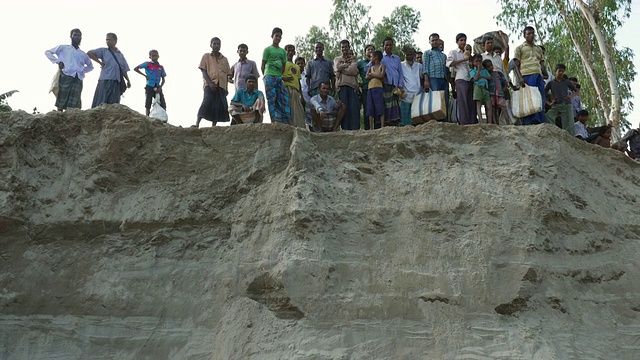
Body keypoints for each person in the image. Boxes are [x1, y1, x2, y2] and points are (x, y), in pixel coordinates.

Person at [45, 28, 93, 111]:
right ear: (71, 36)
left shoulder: (83, 54)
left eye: (79, 36)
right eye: (75, 35)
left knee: (74, 102)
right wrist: (58, 61)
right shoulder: (63, 48)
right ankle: (58, 116)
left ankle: (71, 119)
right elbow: (48, 52)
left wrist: (81, 70)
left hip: (78, 78)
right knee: (62, 98)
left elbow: (90, 66)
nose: (77, 37)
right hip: (66, 75)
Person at [194, 37, 230, 128]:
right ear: (211, 45)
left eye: (218, 44)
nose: (216, 45)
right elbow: (203, 71)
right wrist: (210, 83)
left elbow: (226, 75)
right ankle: (197, 123)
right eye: (214, 43)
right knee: (206, 101)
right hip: (209, 84)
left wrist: (226, 88)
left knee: (217, 105)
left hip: (221, 85)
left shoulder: (224, 59)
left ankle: (214, 125)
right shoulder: (206, 56)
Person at [88, 32, 131, 108]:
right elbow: (89, 53)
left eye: (110, 40)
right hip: (105, 80)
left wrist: (128, 80)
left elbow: (124, 70)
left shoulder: (120, 55)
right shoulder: (103, 51)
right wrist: (100, 62)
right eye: (107, 40)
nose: (108, 41)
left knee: (113, 104)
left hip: (116, 81)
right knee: (101, 102)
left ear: (115, 41)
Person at [513, 26, 546, 125]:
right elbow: (516, 64)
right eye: (528, 33)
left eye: (532, 33)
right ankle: (530, 121)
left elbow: (542, 63)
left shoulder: (538, 49)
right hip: (527, 75)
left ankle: (540, 120)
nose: (531, 35)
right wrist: (520, 78)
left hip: (538, 74)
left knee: (540, 97)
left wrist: (544, 72)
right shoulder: (520, 48)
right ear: (524, 36)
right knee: (530, 97)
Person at [262, 28, 291, 125]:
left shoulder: (283, 51)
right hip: (269, 76)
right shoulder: (267, 49)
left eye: (279, 36)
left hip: (278, 77)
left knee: (284, 98)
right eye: (276, 36)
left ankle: (287, 120)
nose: (278, 38)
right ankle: (273, 121)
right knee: (272, 99)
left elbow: (283, 66)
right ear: (272, 36)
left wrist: (279, 75)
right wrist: (266, 76)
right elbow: (263, 65)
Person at [447, 33, 475, 125]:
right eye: (461, 40)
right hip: (460, 78)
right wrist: (464, 59)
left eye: (464, 40)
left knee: (471, 101)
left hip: (470, 79)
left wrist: (469, 59)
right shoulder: (453, 52)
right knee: (462, 102)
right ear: (457, 42)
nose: (463, 42)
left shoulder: (468, 52)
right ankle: (464, 122)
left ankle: (472, 121)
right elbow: (449, 64)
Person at [333, 40, 360, 130]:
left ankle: (355, 131)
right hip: (342, 86)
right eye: (342, 47)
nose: (344, 49)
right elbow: (337, 67)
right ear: (340, 48)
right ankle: (345, 130)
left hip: (352, 86)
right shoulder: (337, 59)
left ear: (349, 47)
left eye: (346, 47)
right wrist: (347, 64)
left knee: (354, 109)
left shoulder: (354, 59)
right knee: (344, 109)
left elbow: (353, 70)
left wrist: (342, 69)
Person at [423, 33, 449, 122]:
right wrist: (426, 80)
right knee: (435, 100)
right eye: (432, 40)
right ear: (429, 42)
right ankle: (435, 121)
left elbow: (447, 68)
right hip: (433, 78)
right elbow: (425, 67)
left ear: (439, 41)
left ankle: (444, 120)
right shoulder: (427, 53)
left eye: (436, 40)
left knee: (444, 100)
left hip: (443, 79)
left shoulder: (444, 55)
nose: (434, 42)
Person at [545, 64, 577, 135]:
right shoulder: (551, 83)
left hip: (566, 105)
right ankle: (553, 133)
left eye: (563, 71)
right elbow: (543, 95)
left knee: (569, 124)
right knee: (548, 116)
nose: (561, 73)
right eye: (559, 71)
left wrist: (571, 96)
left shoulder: (567, 82)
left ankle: (570, 138)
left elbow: (577, 91)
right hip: (556, 105)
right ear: (556, 71)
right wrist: (549, 103)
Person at [133, 49, 166, 116]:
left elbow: (163, 79)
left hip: (157, 86)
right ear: (150, 57)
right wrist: (145, 75)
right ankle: (147, 116)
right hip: (149, 85)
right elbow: (136, 68)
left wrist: (160, 87)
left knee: (162, 103)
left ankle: (163, 117)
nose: (154, 57)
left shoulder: (161, 67)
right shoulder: (148, 64)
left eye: (155, 56)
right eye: (152, 56)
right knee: (148, 102)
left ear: (158, 56)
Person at [381, 37, 403, 125]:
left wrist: (400, 84)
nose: (389, 47)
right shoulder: (380, 57)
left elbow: (400, 72)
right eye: (387, 45)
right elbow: (368, 67)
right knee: (386, 104)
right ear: (383, 46)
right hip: (385, 85)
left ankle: (395, 123)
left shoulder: (397, 58)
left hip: (395, 86)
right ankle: (386, 123)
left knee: (395, 105)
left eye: (390, 45)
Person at [281, 45, 305, 128]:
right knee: (286, 110)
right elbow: (277, 76)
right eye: (288, 50)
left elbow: (298, 81)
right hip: (285, 89)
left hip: (295, 91)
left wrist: (302, 95)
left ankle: (297, 128)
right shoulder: (282, 63)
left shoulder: (297, 67)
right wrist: (284, 78)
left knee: (297, 112)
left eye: (292, 51)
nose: (290, 52)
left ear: (294, 52)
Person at [400, 46, 421, 126]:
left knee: (416, 118)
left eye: (411, 54)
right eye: (407, 55)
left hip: (417, 93)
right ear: (404, 55)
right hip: (405, 93)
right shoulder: (401, 65)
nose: (409, 56)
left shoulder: (419, 66)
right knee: (405, 118)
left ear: (414, 55)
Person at [470, 56, 494, 124]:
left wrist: (482, 76)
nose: (478, 63)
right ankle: (480, 121)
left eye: (480, 61)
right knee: (479, 105)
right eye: (476, 61)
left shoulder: (484, 70)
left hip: (485, 88)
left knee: (489, 105)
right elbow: (475, 78)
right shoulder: (472, 70)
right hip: (478, 87)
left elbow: (489, 77)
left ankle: (489, 122)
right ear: (473, 62)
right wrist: (478, 70)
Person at [366, 50, 386, 129]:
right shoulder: (370, 67)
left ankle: (382, 125)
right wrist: (375, 75)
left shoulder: (382, 66)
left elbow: (382, 76)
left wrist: (372, 74)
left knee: (380, 106)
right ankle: (371, 127)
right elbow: (366, 77)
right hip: (370, 88)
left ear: (376, 57)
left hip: (378, 88)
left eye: (371, 56)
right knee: (370, 107)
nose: (370, 58)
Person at [358, 44, 375, 129]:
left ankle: (378, 129)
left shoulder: (378, 62)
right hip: (366, 89)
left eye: (372, 49)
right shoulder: (361, 63)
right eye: (368, 49)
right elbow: (353, 73)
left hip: (377, 88)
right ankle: (367, 129)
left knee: (377, 108)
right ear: (365, 53)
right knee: (367, 110)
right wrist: (358, 84)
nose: (370, 51)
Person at [487, 59, 509, 125]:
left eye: (491, 65)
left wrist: (505, 88)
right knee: (493, 110)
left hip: (500, 94)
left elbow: (504, 82)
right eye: (488, 67)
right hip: (491, 94)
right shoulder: (487, 75)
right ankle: (496, 124)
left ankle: (508, 123)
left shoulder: (498, 73)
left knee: (504, 109)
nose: (490, 67)